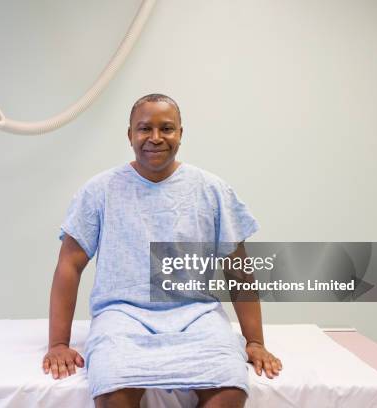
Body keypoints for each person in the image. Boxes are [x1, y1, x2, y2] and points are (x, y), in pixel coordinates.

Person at [42, 94, 282, 408]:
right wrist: (58, 343)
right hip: (122, 316)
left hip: (197, 317)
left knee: (230, 390)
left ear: (180, 133)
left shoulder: (212, 191)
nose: (156, 138)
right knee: (113, 393)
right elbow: (69, 266)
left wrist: (255, 341)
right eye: (144, 129)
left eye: (166, 128)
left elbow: (238, 270)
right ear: (130, 135)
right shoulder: (100, 191)